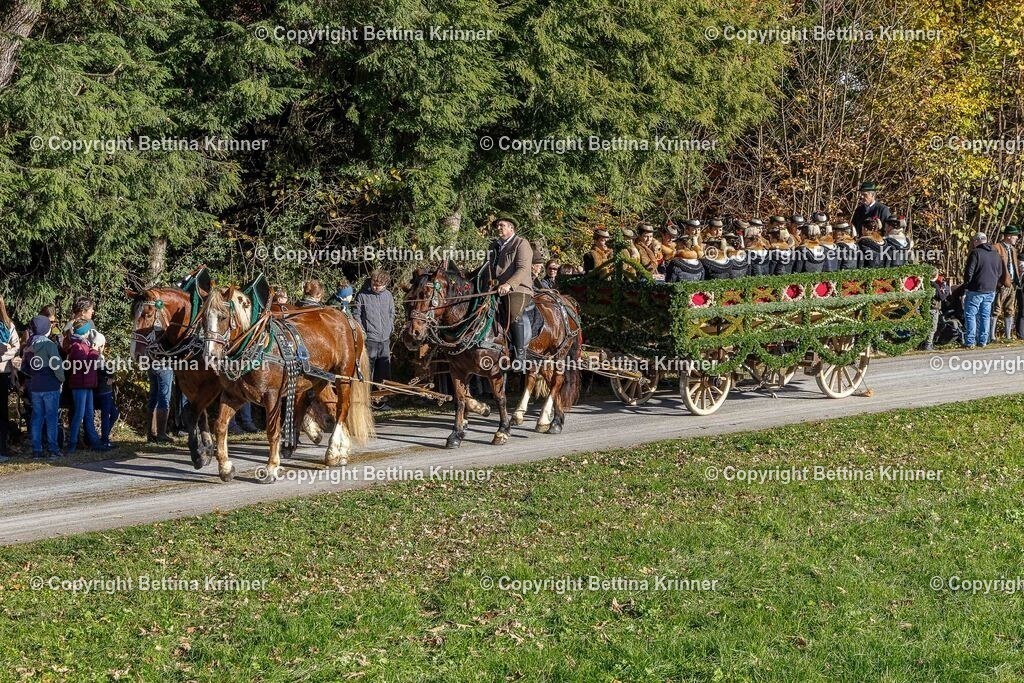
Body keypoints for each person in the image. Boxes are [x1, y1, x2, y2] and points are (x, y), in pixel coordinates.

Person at [484, 216, 534, 369]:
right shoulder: (493, 246)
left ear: (511, 228)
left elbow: (523, 268)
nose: (498, 228)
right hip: (495, 289)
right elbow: (486, 267)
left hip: (518, 288)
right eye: (497, 225)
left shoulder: (521, 243)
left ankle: (519, 355)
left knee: (513, 313)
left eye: (502, 225)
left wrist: (509, 284)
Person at [23, 314, 64, 458]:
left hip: (35, 386)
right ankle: (53, 449)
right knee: (51, 417)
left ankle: (37, 450)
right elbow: (57, 365)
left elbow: (25, 368)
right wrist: (61, 379)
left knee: (37, 417)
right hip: (50, 385)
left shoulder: (28, 345)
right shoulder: (49, 344)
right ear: (47, 329)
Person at [66, 321, 107, 452]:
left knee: (89, 414)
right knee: (79, 414)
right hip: (80, 385)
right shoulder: (76, 346)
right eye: (89, 331)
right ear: (84, 332)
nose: (91, 333)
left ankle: (95, 442)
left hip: (87, 383)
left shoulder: (84, 344)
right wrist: (94, 352)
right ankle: (72, 444)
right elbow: (83, 365)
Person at [356, 269, 396, 397]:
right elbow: (356, 315)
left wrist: (390, 327)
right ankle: (366, 397)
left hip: (385, 339)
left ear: (385, 284)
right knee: (368, 369)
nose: (375, 287)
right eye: (374, 283)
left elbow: (391, 313)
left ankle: (382, 398)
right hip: (369, 339)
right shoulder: (361, 295)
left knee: (384, 369)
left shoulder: (388, 295)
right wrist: (363, 331)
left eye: (379, 285)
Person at [962, 232, 1003, 348]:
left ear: (976, 241)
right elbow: (999, 272)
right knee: (985, 315)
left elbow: (969, 272)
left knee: (970, 314)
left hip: (976, 289)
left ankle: (970, 341)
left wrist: (966, 286)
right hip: (991, 289)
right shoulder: (996, 254)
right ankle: (983, 340)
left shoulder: (975, 253)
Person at [91, 331, 119, 449]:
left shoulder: (93, 354)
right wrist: (111, 375)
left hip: (98, 390)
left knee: (114, 413)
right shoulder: (97, 356)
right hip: (103, 391)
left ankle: (104, 436)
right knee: (107, 415)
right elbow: (105, 371)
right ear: (101, 345)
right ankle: (105, 439)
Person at [992, 225, 1020, 341]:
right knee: (996, 310)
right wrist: (998, 282)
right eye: (1015, 236)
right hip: (1001, 283)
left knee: (1010, 309)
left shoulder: (1013, 249)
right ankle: (991, 335)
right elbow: (994, 267)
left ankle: (1007, 335)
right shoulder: (997, 248)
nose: (1017, 238)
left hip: (1012, 283)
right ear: (1008, 236)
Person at [0, 296, 19, 462]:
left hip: (2, 371)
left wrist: (4, 354)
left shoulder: (8, 326)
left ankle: (2, 448)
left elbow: (16, 346)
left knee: (2, 412)